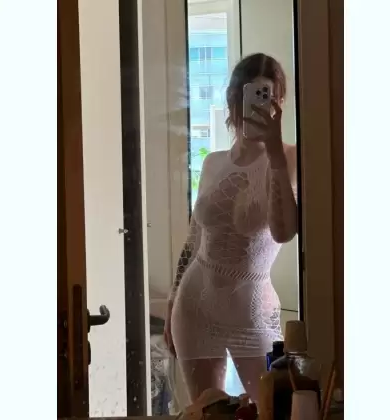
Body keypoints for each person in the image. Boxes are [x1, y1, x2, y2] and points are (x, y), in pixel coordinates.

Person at [164, 53, 298, 403]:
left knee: (274, 409)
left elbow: (284, 231)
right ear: (232, 100)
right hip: (194, 306)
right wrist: (172, 302)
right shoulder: (212, 163)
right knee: (207, 410)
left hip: (252, 312)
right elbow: (194, 239)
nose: (255, 107)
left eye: (267, 96)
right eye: (247, 95)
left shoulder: (291, 158)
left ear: (279, 102)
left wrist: (274, 153)